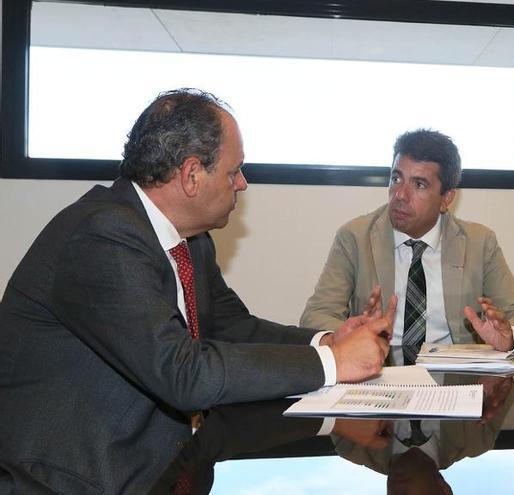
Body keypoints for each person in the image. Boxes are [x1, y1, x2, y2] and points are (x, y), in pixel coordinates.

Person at [0, 88, 394, 493]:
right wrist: (332, 362)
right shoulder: (103, 236)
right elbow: (183, 374)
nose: (242, 184)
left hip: (156, 460)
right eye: (234, 170)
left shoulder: (191, 240)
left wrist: (326, 341)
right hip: (71, 477)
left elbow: (230, 326)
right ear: (191, 175)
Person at [301, 129, 514, 360]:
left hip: (454, 382)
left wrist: (509, 338)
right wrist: (343, 337)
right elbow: (317, 315)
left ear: (446, 198)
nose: (400, 195)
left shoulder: (479, 242)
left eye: (419, 185)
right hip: (376, 373)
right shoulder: (354, 237)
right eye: (396, 178)